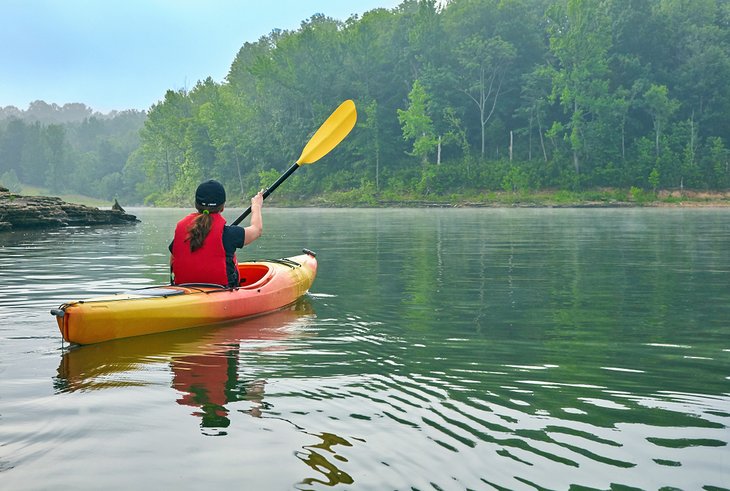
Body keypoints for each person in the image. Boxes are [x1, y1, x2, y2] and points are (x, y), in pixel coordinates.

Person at [169, 179, 263, 287]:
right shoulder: (229, 234)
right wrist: (256, 206)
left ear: (196, 205)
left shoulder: (184, 231)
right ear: (222, 207)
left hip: (184, 289)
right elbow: (257, 230)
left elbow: (173, 259)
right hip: (220, 290)